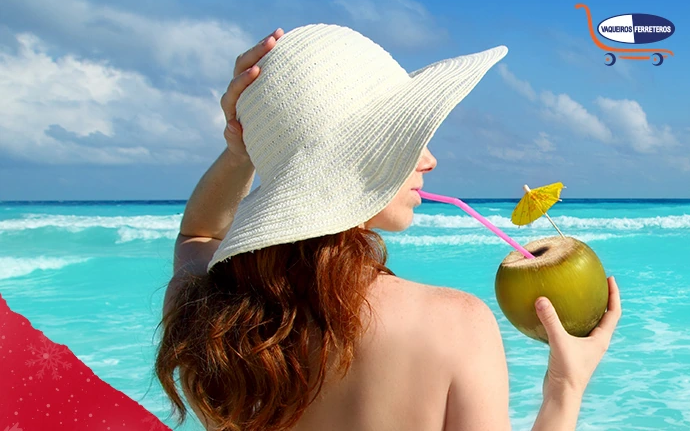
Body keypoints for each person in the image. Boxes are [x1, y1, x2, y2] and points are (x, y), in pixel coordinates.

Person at [155, 26, 622, 431]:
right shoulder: (455, 324)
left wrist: (242, 154)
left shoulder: (212, 319)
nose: (429, 160)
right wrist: (566, 386)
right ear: (354, 160)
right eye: (406, 139)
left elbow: (198, 236)